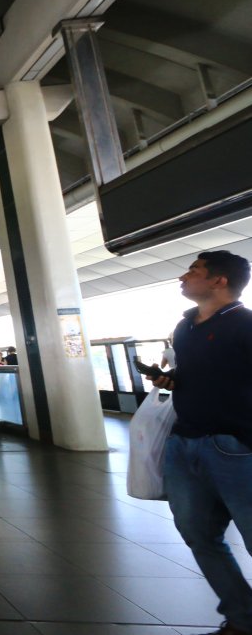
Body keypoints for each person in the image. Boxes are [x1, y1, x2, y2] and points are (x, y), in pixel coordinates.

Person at [148, 251, 252, 635]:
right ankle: (243, 619)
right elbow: (198, 375)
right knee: (198, 535)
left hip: (236, 447)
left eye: (193, 271)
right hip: (184, 443)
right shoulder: (186, 326)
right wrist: (171, 379)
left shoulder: (244, 325)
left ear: (219, 281)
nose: (183, 276)